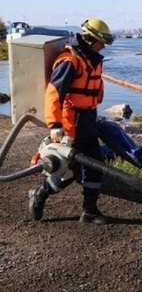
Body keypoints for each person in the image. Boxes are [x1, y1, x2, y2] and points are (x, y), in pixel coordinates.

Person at [28, 18, 115, 224]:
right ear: (90, 39)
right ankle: (40, 194)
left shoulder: (91, 60)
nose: (103, 46)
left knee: (95, 165)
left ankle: (90, 211)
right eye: (101, 42)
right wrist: (55, 126)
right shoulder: (70, 61)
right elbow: (54, 94)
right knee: (68, 169)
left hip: (87, 120)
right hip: (70, 123)